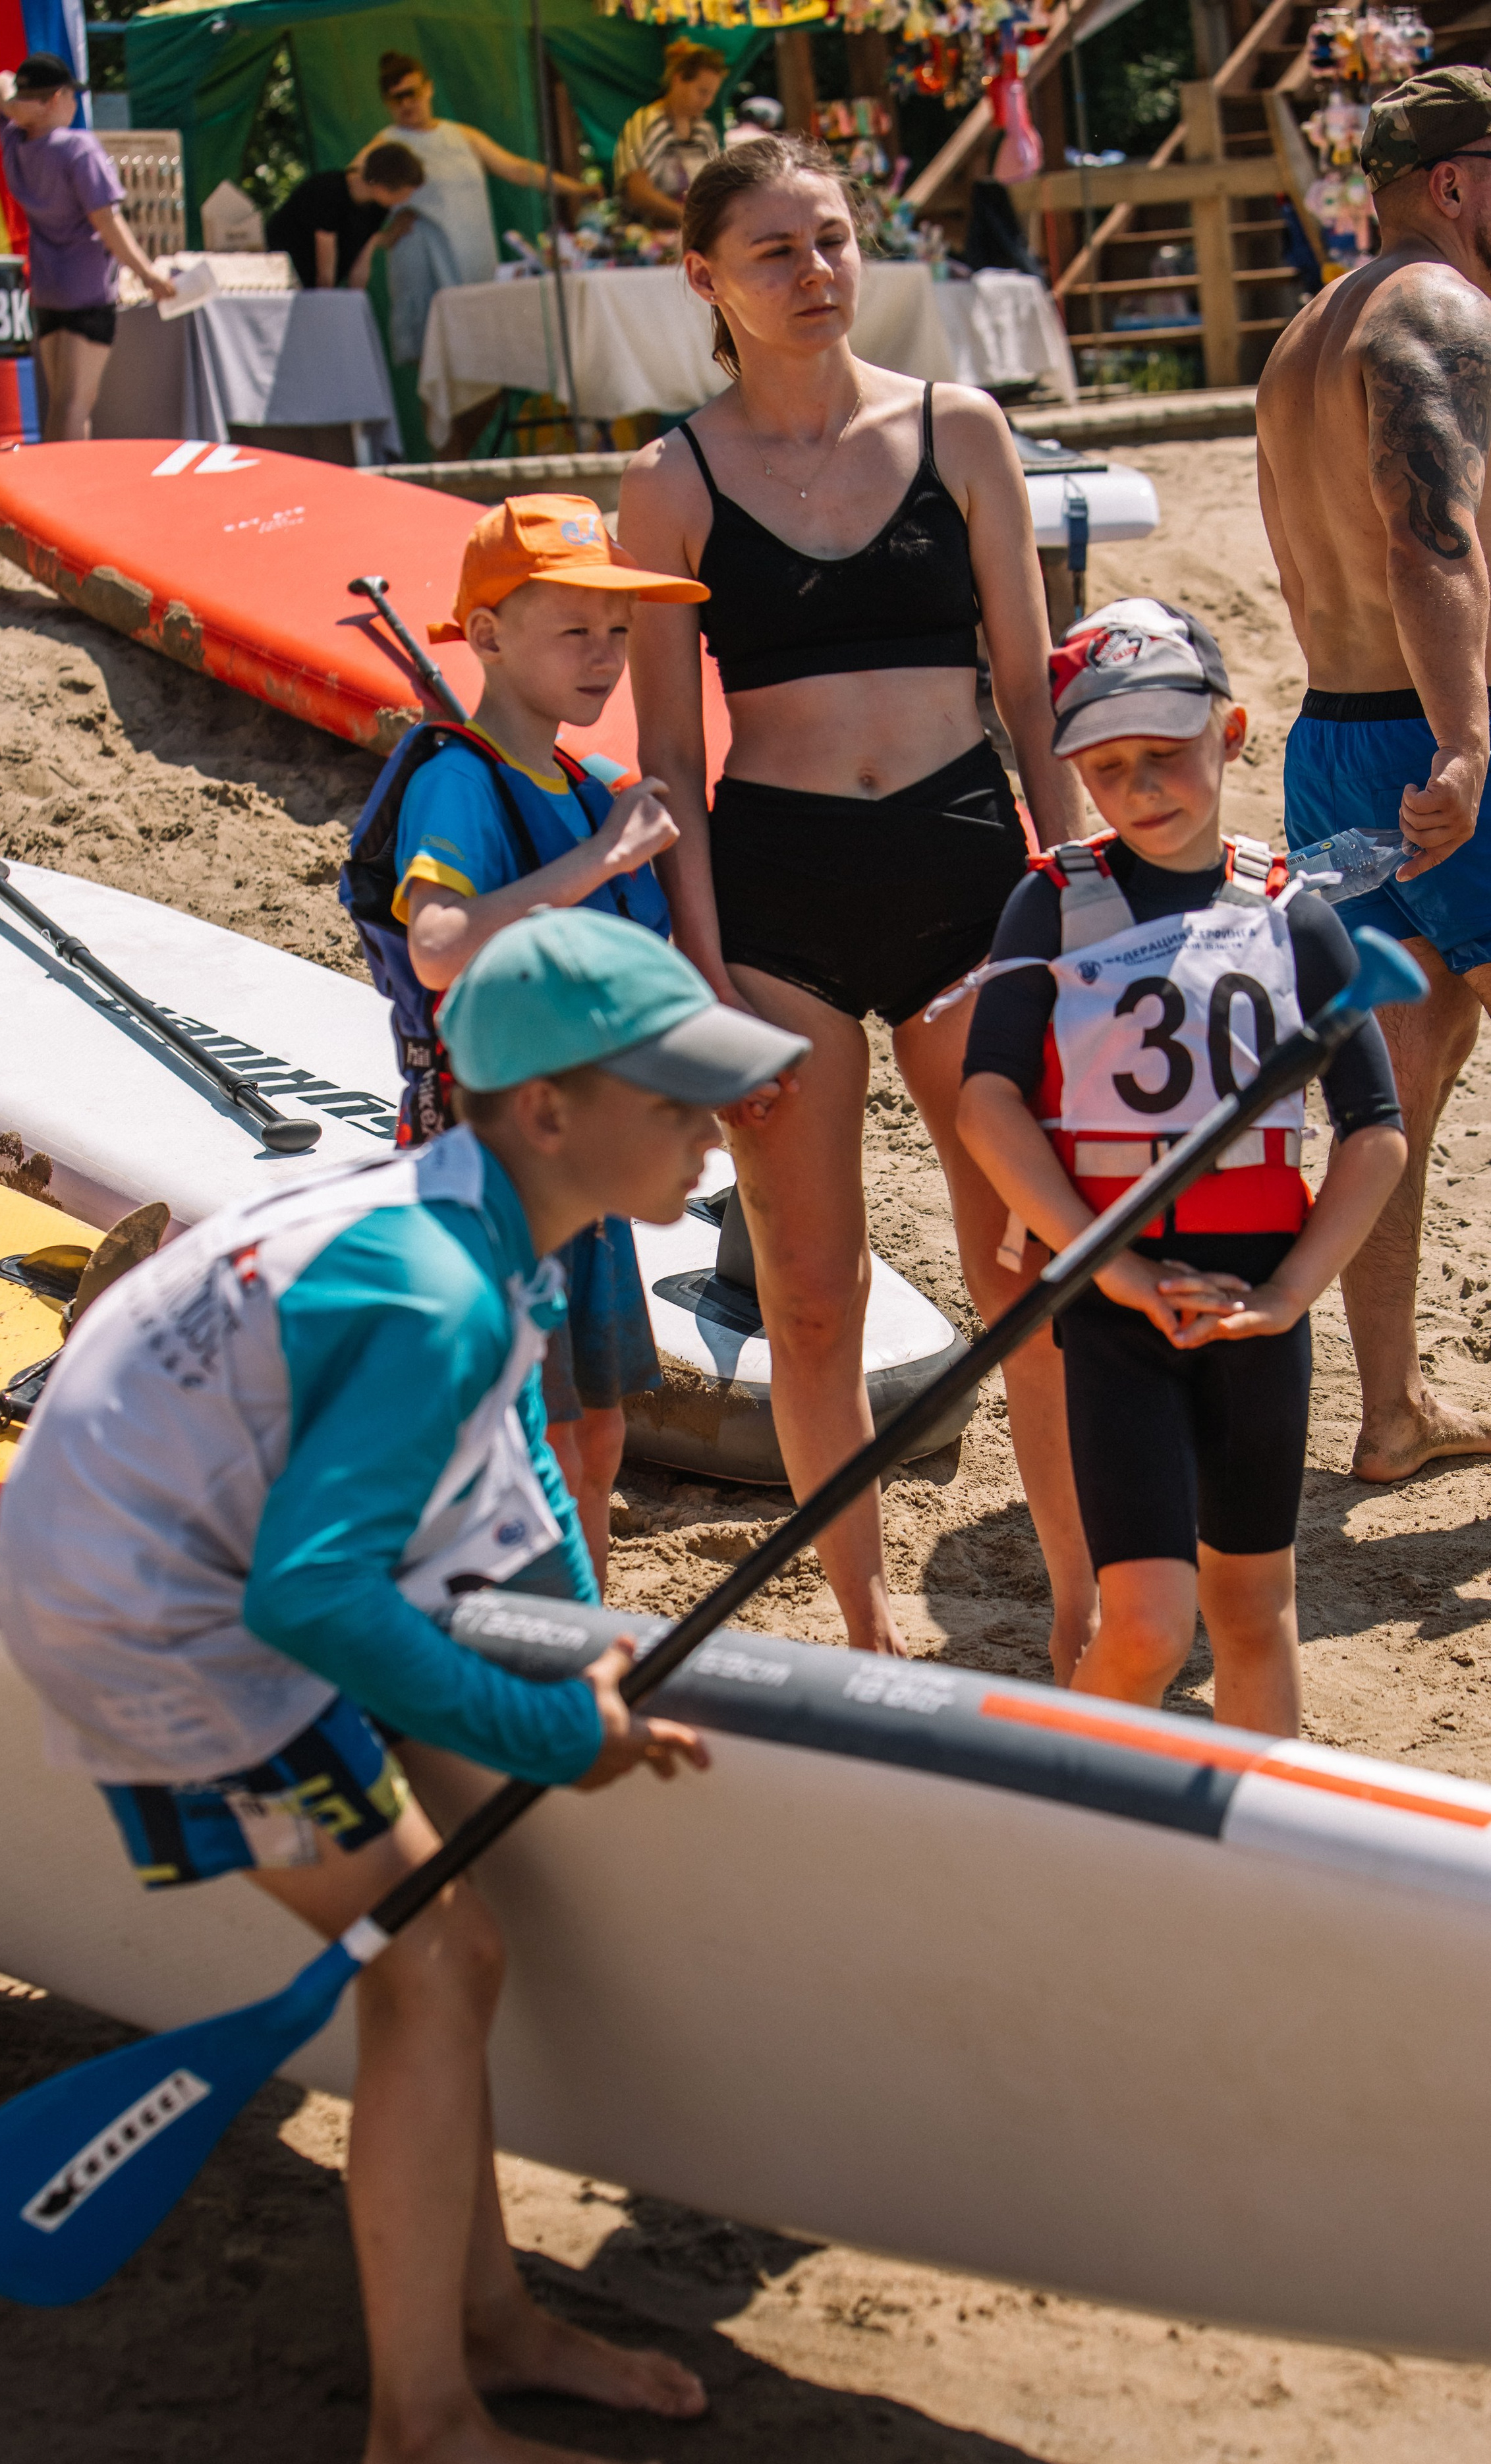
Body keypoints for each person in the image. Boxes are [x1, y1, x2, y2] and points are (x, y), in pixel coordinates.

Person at [0, 909, 802, 2464]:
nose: (711, 1129)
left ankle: (488, 2317)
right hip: (160, 1631)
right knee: (431, 1961)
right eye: (676, 1094)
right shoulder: (433, 1285)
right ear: (550, 1109)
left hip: (198, 1565)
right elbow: (308, 1599)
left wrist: (582, 1649)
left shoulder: (487, 1219)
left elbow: (502, 1480)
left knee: (453, 1940)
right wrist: (556, 1734)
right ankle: (420, 2439)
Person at [617, 133, 1093, 1672]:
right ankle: (865, 1620)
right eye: (774, 252)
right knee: (811, 1299)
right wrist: (697, 975)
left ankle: (1084, 1602)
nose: (815, 274)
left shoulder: (960, 431)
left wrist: (1076, 890)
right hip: (775, 904)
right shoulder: (669, 480)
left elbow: (1028, 690)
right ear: (703, 278)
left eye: (830, 241)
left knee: (1021, 1265)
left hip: (968, 873)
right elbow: (670, 767)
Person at [958, 602, 1406, 1733]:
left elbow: (1375, 1130)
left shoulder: (1293, 912)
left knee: (1256, 1608)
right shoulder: (1053, 902)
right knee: (1150, 1627)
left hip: (1258, 1302)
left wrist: (1293, 1293)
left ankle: (1266, 1860)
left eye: (1168, 752)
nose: (1143, 784)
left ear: (1235, 730)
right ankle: (1071, 1805)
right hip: (1117, 1304)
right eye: (1108, 769)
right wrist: (1102, 1264)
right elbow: (987, 1104)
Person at [340, 493, 746, 1587]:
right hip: (490, 1163)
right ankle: (537, 1635)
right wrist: (603, 862)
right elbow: (437, 947)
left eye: (618, 633)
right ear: (485, 637)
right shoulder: (459, 779)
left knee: (595, 1430)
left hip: (579, 1158)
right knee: (524, 1433)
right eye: (575, 630)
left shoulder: (589, 787)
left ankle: (587, 1620)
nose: (606, 658)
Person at [1256, 63, 1491, 1485]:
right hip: (1439, 734)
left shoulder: (1303, 332)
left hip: (1331, 735)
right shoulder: (1433, 309)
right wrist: (1464, 740)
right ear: (1459, 182)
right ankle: (1391, 1411)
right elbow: (1428, 540)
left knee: (1390, 1089)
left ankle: (1388, 1411)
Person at [0, 54, 175, 440]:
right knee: (76, 403)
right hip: (88, 289)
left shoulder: (17, 144)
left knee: (61, 401)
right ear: (58, 98)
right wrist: (147, 273)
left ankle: (57, 484)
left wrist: (15, 106)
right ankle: (67, 490)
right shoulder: (78, 149)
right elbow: (107, 222)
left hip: (47, 290)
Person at [370, 49, 594, 289]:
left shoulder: (463, 137)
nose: (406, 104)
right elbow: (352, 192)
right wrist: (382, 238)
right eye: (396, 99)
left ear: (429, 89)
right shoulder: (384, 144)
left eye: (411, 94)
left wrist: (578, 189)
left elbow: (517, 169)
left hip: (475, 265)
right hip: (421, 272)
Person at [266, 140, 424, 291]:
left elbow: (361, 264)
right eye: (405, 193)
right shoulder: (328, 191)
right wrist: (328, 307)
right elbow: (325, 275)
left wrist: (355, 301)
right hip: (276, 278)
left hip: (309, 286)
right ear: (381, 187)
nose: (406, 200)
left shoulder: (377, 208)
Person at [612, 42, 727, 230]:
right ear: (678, 79)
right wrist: (686, 216)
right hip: (645, 237)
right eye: (702, 92)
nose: (708, 102)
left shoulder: (705, 131)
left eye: (712, 95)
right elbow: (636, 190)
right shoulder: (645, 123)